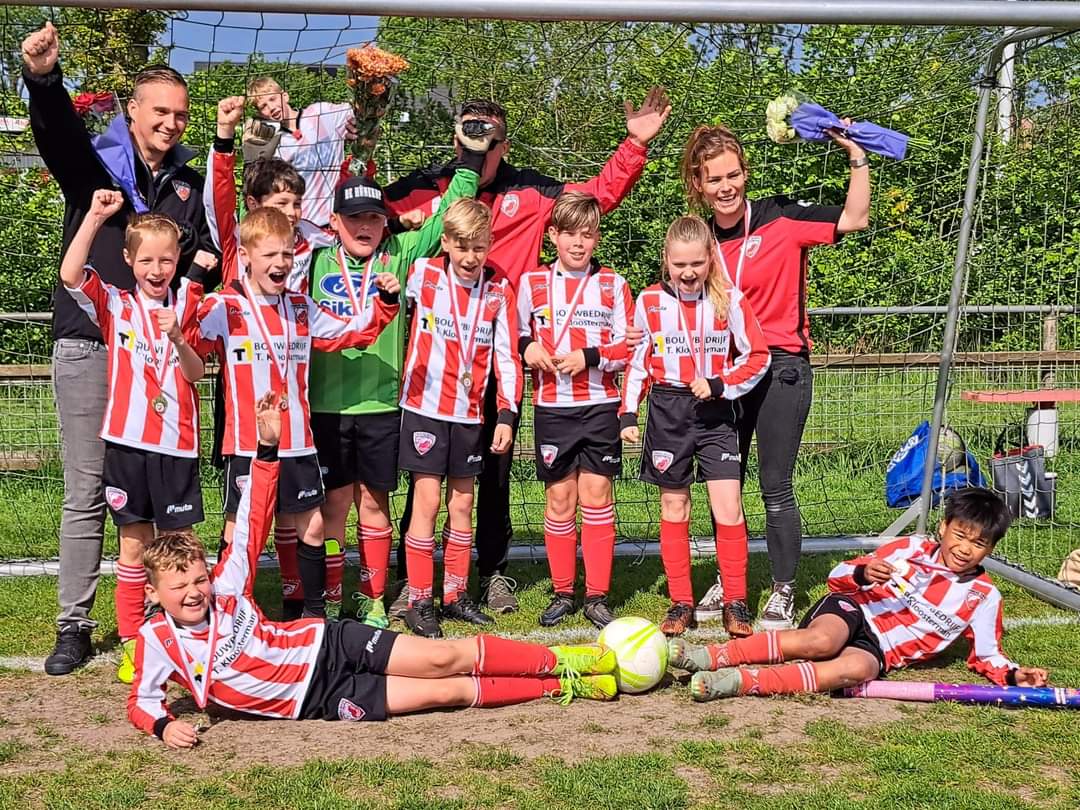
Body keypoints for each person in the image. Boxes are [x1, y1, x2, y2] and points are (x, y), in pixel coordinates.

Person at [128, 391, 617, 749]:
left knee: (443, 657)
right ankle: (560, 686)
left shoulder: (226, 584)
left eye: (199, 579)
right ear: (153, 593)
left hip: (328, 642)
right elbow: (142, 701)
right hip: (320, 697)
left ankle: (561, 660)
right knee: (446, 691)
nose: (195, 591)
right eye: (180, 586)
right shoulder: (157, 640)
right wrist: (164, 726)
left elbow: (255, 517)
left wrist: (267, 448)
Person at [387, 91, 672, 614]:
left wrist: (634, 145)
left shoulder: (533, 190)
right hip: (437, 364)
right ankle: (413, 580)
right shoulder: (425, 188)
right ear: (455, 138)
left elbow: (592, 202)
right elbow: (364, 223)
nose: (479, 147)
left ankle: (493, 573)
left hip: (501, 355)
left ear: (504, 144)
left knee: (492, 475)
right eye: (470, 134)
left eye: (489, 138)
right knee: (425, 481)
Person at [21, 22, 218, 675]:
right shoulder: (100, 164)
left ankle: (164, 616)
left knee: (157, 501)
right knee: (86, 490)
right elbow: (58, 139)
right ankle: (74, 624)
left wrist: (202, 272)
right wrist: (44, 80)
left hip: (156, 358)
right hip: (91, 345)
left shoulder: (188, 184)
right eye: (159, 111)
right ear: (132, 110)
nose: (170, 123)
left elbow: (204, 257)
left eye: (179, 114)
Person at [679, 123, 870, 630]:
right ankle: (731, 580)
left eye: (733, 175)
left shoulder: (781, 217)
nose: (726, 187)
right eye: (714, 178)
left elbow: (855, 217)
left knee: (774, 484)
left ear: (745, 173)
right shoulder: (699, 242)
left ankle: (783, 588)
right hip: (725, 373)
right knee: (724, 484)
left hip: (781, 366)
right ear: (698, 184)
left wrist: (857, 157)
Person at [304, 122, 495, 624]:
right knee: (333, 508)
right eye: (354, 218)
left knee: (374, 504)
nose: (364, 226)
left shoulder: (401, 254)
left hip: (384, 405)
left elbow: (450, 215)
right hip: (324, 404)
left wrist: (472, 159)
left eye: (373, 216)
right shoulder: (313, 259)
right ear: (335, 221)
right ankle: (329, 596)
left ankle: (372, 596)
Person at [195, 207, 399, 619]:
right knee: (241, 529)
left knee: (314, 525)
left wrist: (386, 301)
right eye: (270, 254)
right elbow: (187, 334)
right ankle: (230, 609)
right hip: (248, 444)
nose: (280, 263)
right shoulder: (224, 305)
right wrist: (195, 281)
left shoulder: (302, 307)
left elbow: (352, 331)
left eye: (287, 254)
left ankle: (313, 615)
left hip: (298, 443)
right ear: (246, 255)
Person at [674, 488, 1051, 700]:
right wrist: (863, 573)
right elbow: (836, 578)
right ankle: (711, 656)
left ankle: (743, 683)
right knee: (822, 641)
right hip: (852, 609)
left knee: (857, 671)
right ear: (943, 528)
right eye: (961, 535)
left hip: (880, 650)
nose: (966, 548)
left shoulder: (985, 597)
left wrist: (1014, 675)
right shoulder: (910, 548)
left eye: (979, 543)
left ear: (991, 548)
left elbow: (987, 655)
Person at [59, 190, 213, 683]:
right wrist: (94, 217)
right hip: (128, 446)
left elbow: (196, 373)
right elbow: (70, 275)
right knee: (132, 546)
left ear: (177, 260)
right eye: (145, 260)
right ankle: (133, 642)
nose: (156, 269)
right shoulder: (116, 304)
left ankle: (186, 637)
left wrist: (179, 337)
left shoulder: (187, 304)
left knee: (179, 547)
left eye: (165, 259)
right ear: (129, 261)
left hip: (176, 447)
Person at [620, 216, 770, 638]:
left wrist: (721, 384)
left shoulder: (729, 298)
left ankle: (736, 601)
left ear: (710, 259)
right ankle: (681, 601)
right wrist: (628, 412)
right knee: (674, 507)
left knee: (729, 506)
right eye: (679, 264)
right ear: (666, 260)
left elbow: (759, 356)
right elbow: (638, 361)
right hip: (668, 410)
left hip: (716, 410)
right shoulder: (650, 301)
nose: (688, 273)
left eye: (697, 264)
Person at [397, 199, 521, 638]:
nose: (470, 257)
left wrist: (506, 414)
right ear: (446, 243)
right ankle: (418, 599)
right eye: (462, 246)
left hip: (469, 414)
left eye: (479, 247)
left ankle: (454, 593)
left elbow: (507, 357)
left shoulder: (498, 292)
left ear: (490, 244)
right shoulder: (423, 274)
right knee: (427, 501)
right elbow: (390, 264)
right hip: (425, 409)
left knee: (463, 504)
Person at [516, 192, 633, 629]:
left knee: (597, 495)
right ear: (553, 236)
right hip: (553, 408)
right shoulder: (532, 283)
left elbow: (628, 348)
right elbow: (513, 333)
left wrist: (590, 356)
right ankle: (563, 591)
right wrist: (528, 348)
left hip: (600, 406)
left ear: (597, 238)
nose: (578, 243)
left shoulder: (614, 285)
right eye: (569, 234)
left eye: (587, 234)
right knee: (560, 498)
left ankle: (597, 595)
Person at [245, 76, 355, 227]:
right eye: (263, 106)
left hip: (340, 218)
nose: (270, 107)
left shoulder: (322, 113)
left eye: (272, 99)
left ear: (285, 96)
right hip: (304, 224)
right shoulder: (276, 146)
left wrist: (359, 128)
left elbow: (363, 113)